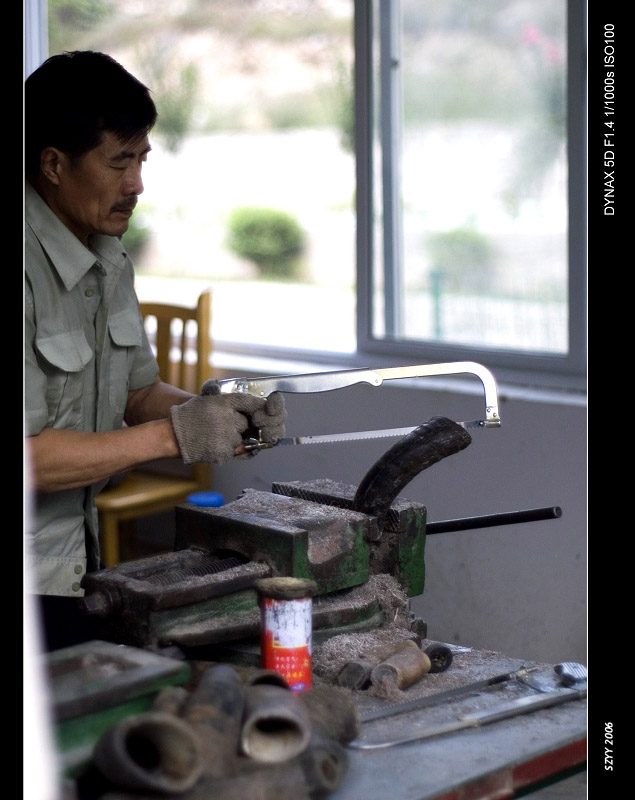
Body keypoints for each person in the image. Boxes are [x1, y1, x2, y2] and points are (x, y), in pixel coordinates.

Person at [24, 50, 287, 650]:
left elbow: (138, 390)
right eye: (119, 162)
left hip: (72, 561)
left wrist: (218, 410)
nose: (136, 184)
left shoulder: (107, 255)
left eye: (142, 159)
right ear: (54, 164)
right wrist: (176, 437)